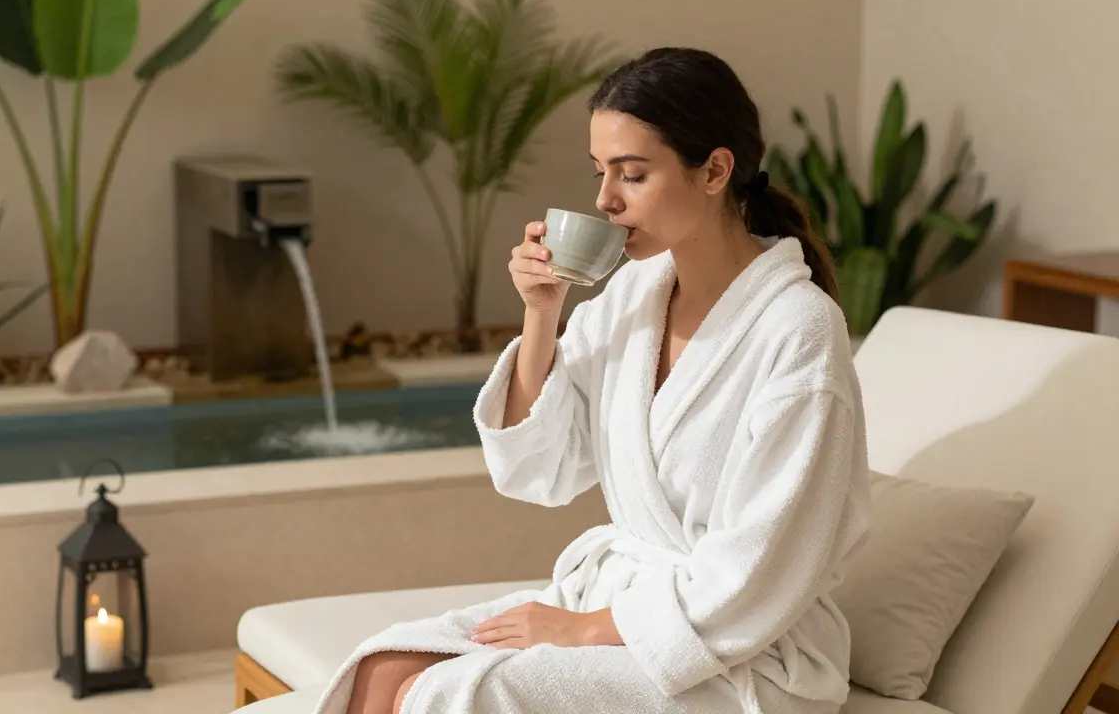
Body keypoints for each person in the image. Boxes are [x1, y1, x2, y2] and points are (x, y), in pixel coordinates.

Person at [310, 46, 872, 714]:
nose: (605, 200)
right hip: (625, 606)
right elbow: (539, 470)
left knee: (453, 691)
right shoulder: (636, 293)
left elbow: (763, 567)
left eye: (631, 175)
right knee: (381, 667)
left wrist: (582, 630)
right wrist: (541, 314)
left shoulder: (799, 331)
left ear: (716, 169)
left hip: (737, 654)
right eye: (599, 172)